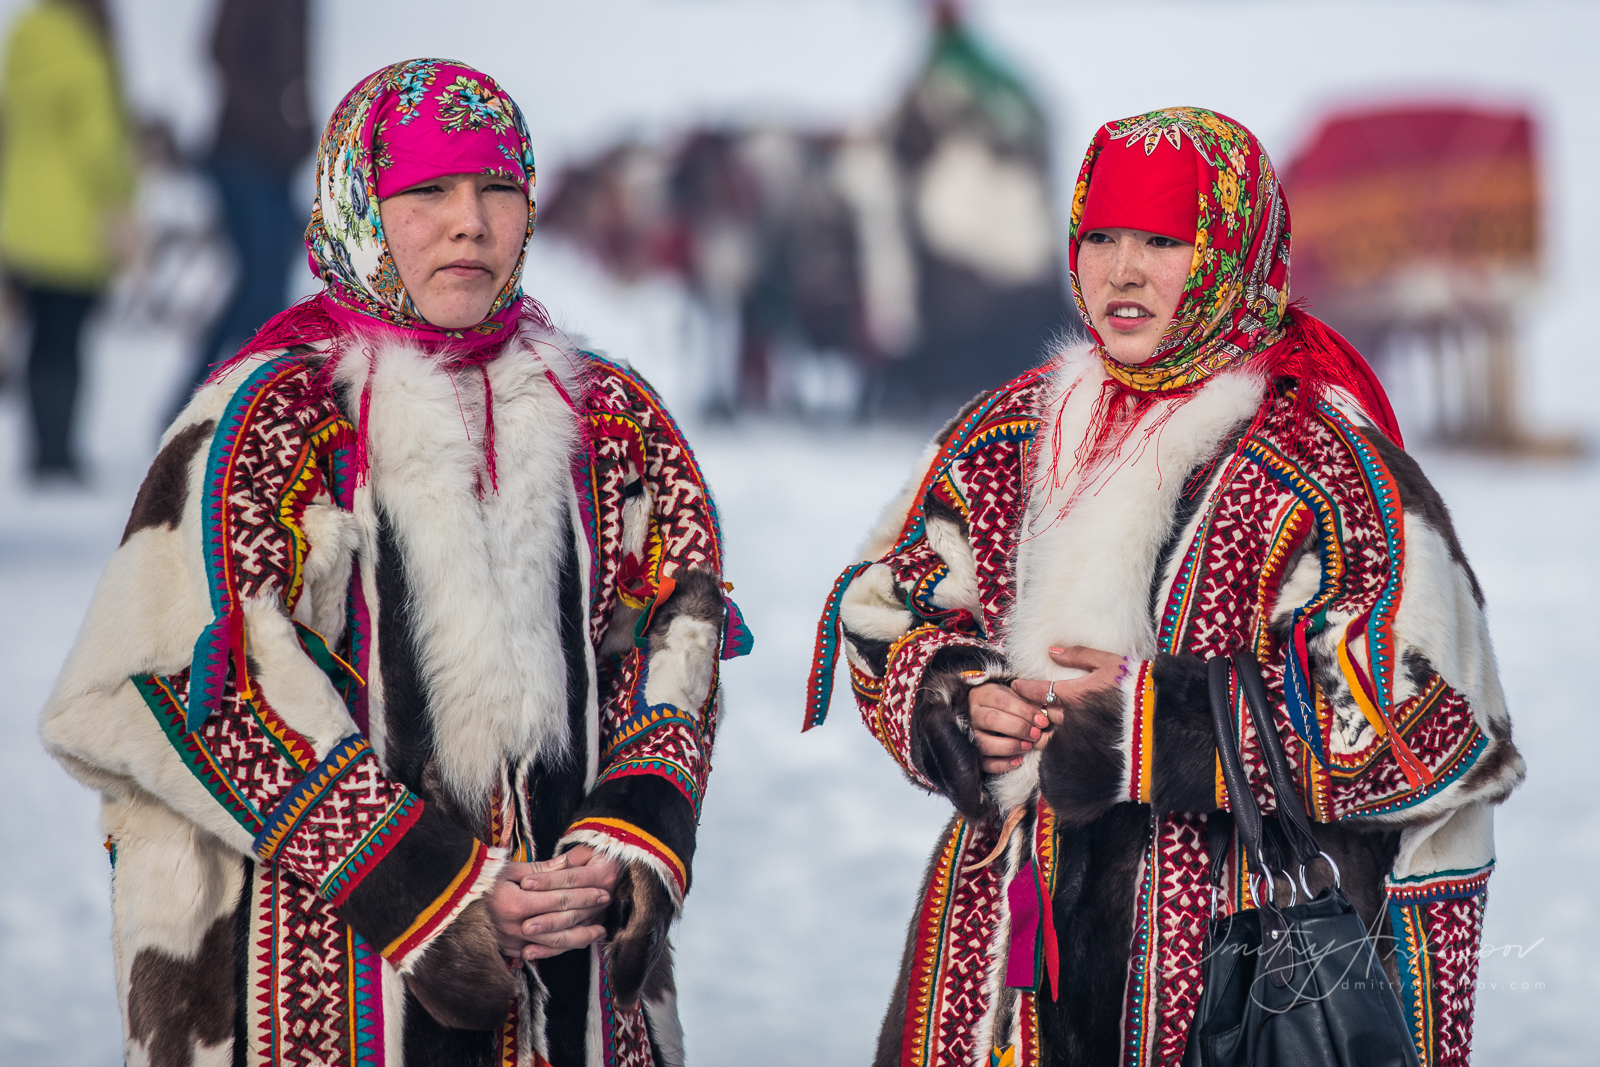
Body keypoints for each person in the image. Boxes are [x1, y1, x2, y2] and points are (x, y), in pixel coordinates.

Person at [42, 59, 747, 1066]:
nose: (471, 221)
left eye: (497, 186)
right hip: (323, 979)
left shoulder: (611, 419)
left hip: (570, 976)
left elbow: (675, 631)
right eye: (427, 190)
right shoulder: (268, 423)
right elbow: (182, 688)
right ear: (358, 202)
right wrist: (434, 889)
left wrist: (626, 839)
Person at [805, 107, 1521, 1066]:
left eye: (1162, 240)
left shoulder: (1325, 464)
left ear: (1231, 245)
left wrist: (1145, 726)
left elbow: (1432, 726)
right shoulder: (1012, 430)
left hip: (1241, 973)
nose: (1123, 272)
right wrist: (955, 698)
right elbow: (889, 607)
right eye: (1100, 237)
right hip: (1005, 965)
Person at [0, 0, 134, 481]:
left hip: (23, 213)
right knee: (67, 340)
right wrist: (121, 192)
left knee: (39, 338)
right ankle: (59, 453)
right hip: (75, 217)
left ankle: (41, 448)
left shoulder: (26, 32)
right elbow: (97, 141)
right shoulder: (84, 42)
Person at [174, 0, 314, 406]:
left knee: (262, 286)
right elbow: (222, 52)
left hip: (274, 159)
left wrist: (299, 128)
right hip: (244, 154)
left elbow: (294, 77)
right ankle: (223, 401)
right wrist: (277, 124)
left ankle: (229, 399)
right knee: (261, 287)